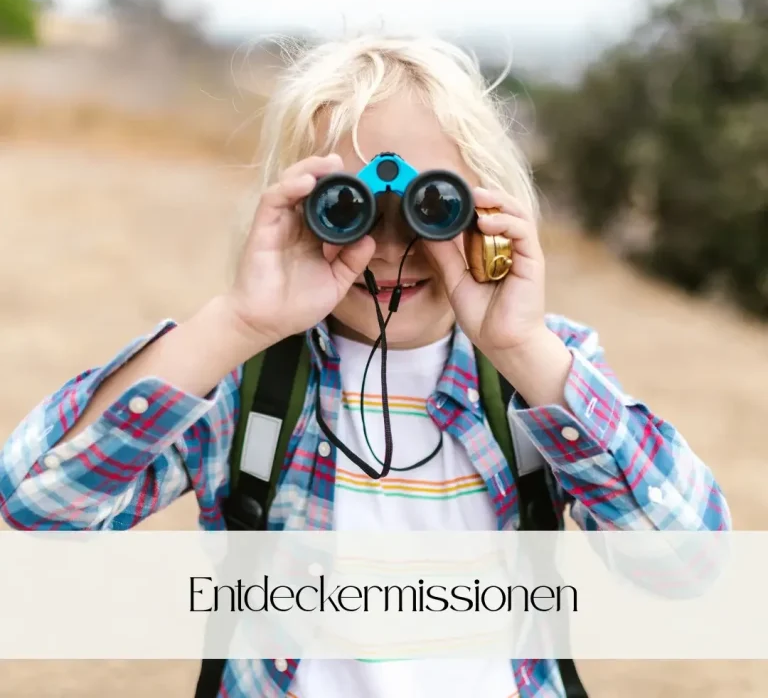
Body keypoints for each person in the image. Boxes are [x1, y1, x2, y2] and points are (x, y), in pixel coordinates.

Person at [0, 35, 731, 697]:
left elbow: (687, 566)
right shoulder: (244, 382)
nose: (389, 247)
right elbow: (36, 508)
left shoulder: (541, 377)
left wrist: (521, 347)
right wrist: (237, 322)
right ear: (292, 212)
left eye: (431, 206)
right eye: (346, 207)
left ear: (489, 213)